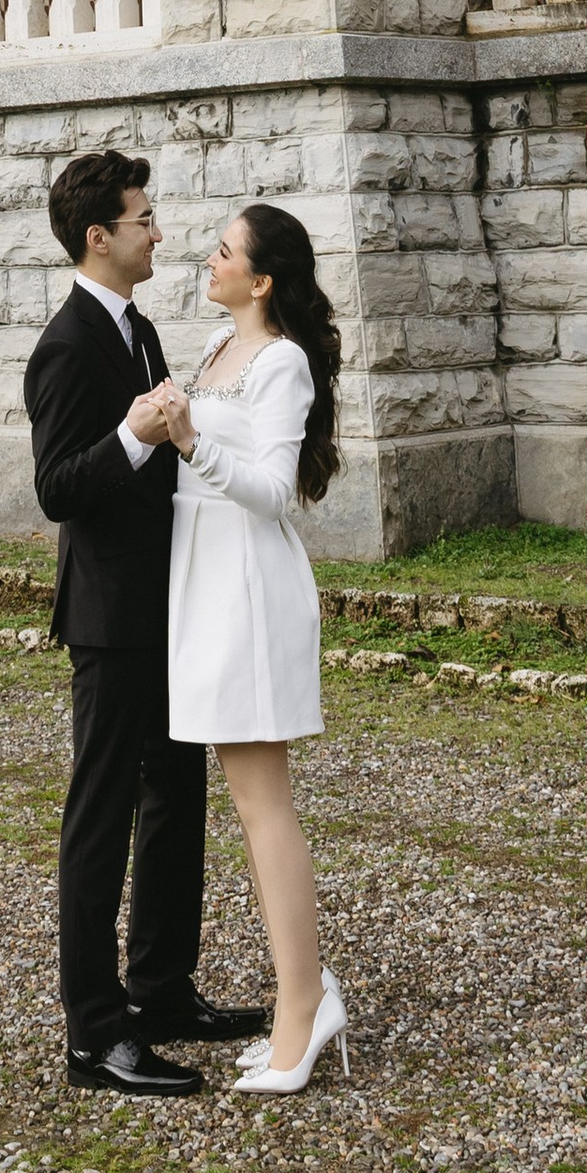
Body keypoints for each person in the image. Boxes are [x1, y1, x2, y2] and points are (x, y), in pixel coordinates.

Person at [23, 147, 273, 1094]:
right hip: (110, 615)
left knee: (177, 795)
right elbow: (56, 488)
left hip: (172, 600)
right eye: (144, 217)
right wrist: (132, 432)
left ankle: (161, 989)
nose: (159, 230)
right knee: (102, 815)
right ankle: (94, 1032)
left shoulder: (142, 329)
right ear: (100, 235)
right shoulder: (66, 346)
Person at [149, 200, 347, 1094]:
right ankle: (297, 995)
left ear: (260, 279)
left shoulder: (283, 360)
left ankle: (303, 1007)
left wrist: (189, 438)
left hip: (248, 589)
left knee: (266, 807)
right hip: (202, 584)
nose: (207, 258)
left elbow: (272, 491)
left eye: (223, 251)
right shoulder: (217, 349)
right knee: (248, 806)